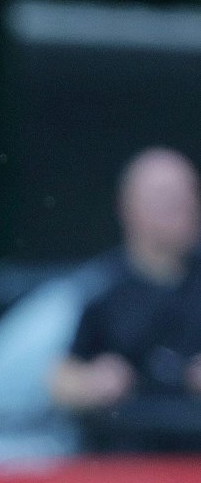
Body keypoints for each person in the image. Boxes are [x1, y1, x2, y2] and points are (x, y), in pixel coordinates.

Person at [48, 147, 201, 436]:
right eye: (165, 198)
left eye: (188, 195)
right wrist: (92, 383)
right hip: (124, 454)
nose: (183, 207)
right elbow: (59, 379)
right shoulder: (102, 289)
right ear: (127, 207)